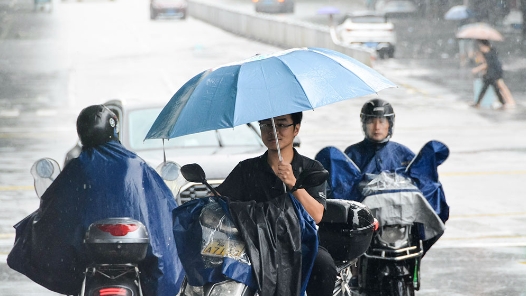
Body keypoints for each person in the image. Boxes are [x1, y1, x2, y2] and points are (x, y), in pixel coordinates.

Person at [7, 105, 184, 296]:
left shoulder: (78, 166)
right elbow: (161, 208)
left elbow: (55, 207)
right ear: (113, 129)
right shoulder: (136, 164)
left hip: (88, 256)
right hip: (135, 256)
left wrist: (32, 225)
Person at [215, 112, 337, 296]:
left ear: (296, 129)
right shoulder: (246, 169)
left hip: (299, 243)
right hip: (253, 243)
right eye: (266, 125)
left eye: (281, 125)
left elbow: (317, 215)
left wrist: (293, 184)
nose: (273, 131)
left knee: (323, 264)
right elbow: (218, 200)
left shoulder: (311, 169)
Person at [471, 39, 516, 109]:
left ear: (485, 46)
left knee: (495, 87)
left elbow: (487, 64)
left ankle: (506, 102)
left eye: (481, 46)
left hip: (494, 73)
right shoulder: (491, 51)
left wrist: (477, 69)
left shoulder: (489, 53)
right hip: (492, 73)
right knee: (493, 87)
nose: (480, 48)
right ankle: (503, 102)